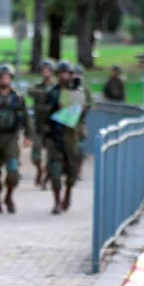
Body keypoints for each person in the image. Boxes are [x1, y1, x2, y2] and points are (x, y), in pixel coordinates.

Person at [0, 65, 32, 214]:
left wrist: (28, 135)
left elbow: (26, 117)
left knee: (13, 170)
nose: (5, 79)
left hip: (11, 137)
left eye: (8, 77)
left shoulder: (17, 97)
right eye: (2, 77)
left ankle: (9, 197)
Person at [43, 61, 87, 214]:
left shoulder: (77, 90)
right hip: (55, 135)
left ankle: (68, 193)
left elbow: (84, 110)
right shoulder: (52, 92)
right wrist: (54, 108)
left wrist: (78, 94)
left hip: (71, 136)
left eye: (66, 73)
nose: (63, 76)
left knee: (71, 171)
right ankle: (56, 202)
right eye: (61, 73)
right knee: (55, 170)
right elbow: (43, 113)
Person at [28, 59, 56, 189]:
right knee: (36, 154)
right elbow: (30, 91)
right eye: (43, 70)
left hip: (52, 125)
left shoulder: (57, 87)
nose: (45, 73)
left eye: (48, 71)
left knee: (52, 155)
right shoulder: (38, 86)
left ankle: (46, 179)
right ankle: (39, 169)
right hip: (39, 124)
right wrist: (46, 95)